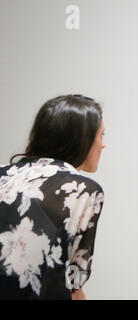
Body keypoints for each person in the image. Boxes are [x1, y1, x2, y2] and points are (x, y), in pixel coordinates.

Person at [0, 94, 105, 300]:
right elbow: (74, 280)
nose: (103, 145)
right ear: (81, 139)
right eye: (101, 135)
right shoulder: (83, 190)